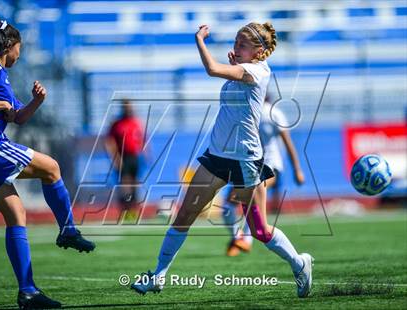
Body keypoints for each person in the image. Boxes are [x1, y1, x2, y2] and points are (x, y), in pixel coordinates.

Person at [131, 22, 314, 298]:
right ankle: (158, 275)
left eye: (243, 43)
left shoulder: (256, 70)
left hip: (245, 161)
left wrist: (200, 41)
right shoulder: (243, 70)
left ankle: (300, 264)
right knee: (184, 215)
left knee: (260, 230)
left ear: (260, 51)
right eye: (236, 41)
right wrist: (235, 68)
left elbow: (212, 69)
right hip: (217, 156)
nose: (236, 46)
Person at [0, 19, 95, 309]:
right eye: (19, 48)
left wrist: (36, 101)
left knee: (16, 214)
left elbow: (18, 117)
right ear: (9, 46)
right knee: (51, 168)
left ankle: (28, 292)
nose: (20, 55)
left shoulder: (1, 75)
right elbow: (2, 108)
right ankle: (69, 230)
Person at [224, 96, 305, 256]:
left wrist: (297, 169)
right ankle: (239, 238)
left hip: (271, 166)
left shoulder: (273, 113)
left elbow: (287, 142)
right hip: (248, 165)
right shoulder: (244, 113)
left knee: (249, 198)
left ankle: (245, 240)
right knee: (227, 206)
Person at [105, 100, 144, 216]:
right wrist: (115, 158)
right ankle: (125, 210)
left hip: (135, 156)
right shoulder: (117, 124)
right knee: (125, 183)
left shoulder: (136, 122)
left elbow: (142, 139)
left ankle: (134, 210)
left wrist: (146, 153)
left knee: (135, 182)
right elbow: (110, 142)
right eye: (126, 107)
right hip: (123, 157)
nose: (129, 109)